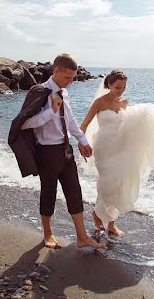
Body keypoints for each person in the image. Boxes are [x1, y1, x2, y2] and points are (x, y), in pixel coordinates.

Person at [11, 53, 105, 250]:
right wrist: (50, 111)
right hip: (47, 152)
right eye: (67, 77)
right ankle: (48, 235)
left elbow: (70, 121)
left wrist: (82, 140)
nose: (70, 82)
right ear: (56, 71)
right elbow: (26, 124)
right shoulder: (40, 92)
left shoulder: (64, 92)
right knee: (49, 193)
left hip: (65, 150)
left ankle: (82, 237)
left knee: (74, 192)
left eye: (73, 78)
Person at [80, 69, 154, 239]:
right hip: (103, 148)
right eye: (118, 87)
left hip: (120, 149)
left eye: (124, 87)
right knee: (106, 184)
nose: (121, 90)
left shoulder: (124, 103)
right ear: (109, 85)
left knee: (119, 184)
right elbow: (84, 125)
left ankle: (112, 223)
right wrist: (81, 143)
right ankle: (97, 214)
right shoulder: (99, 102)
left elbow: (128, 128)